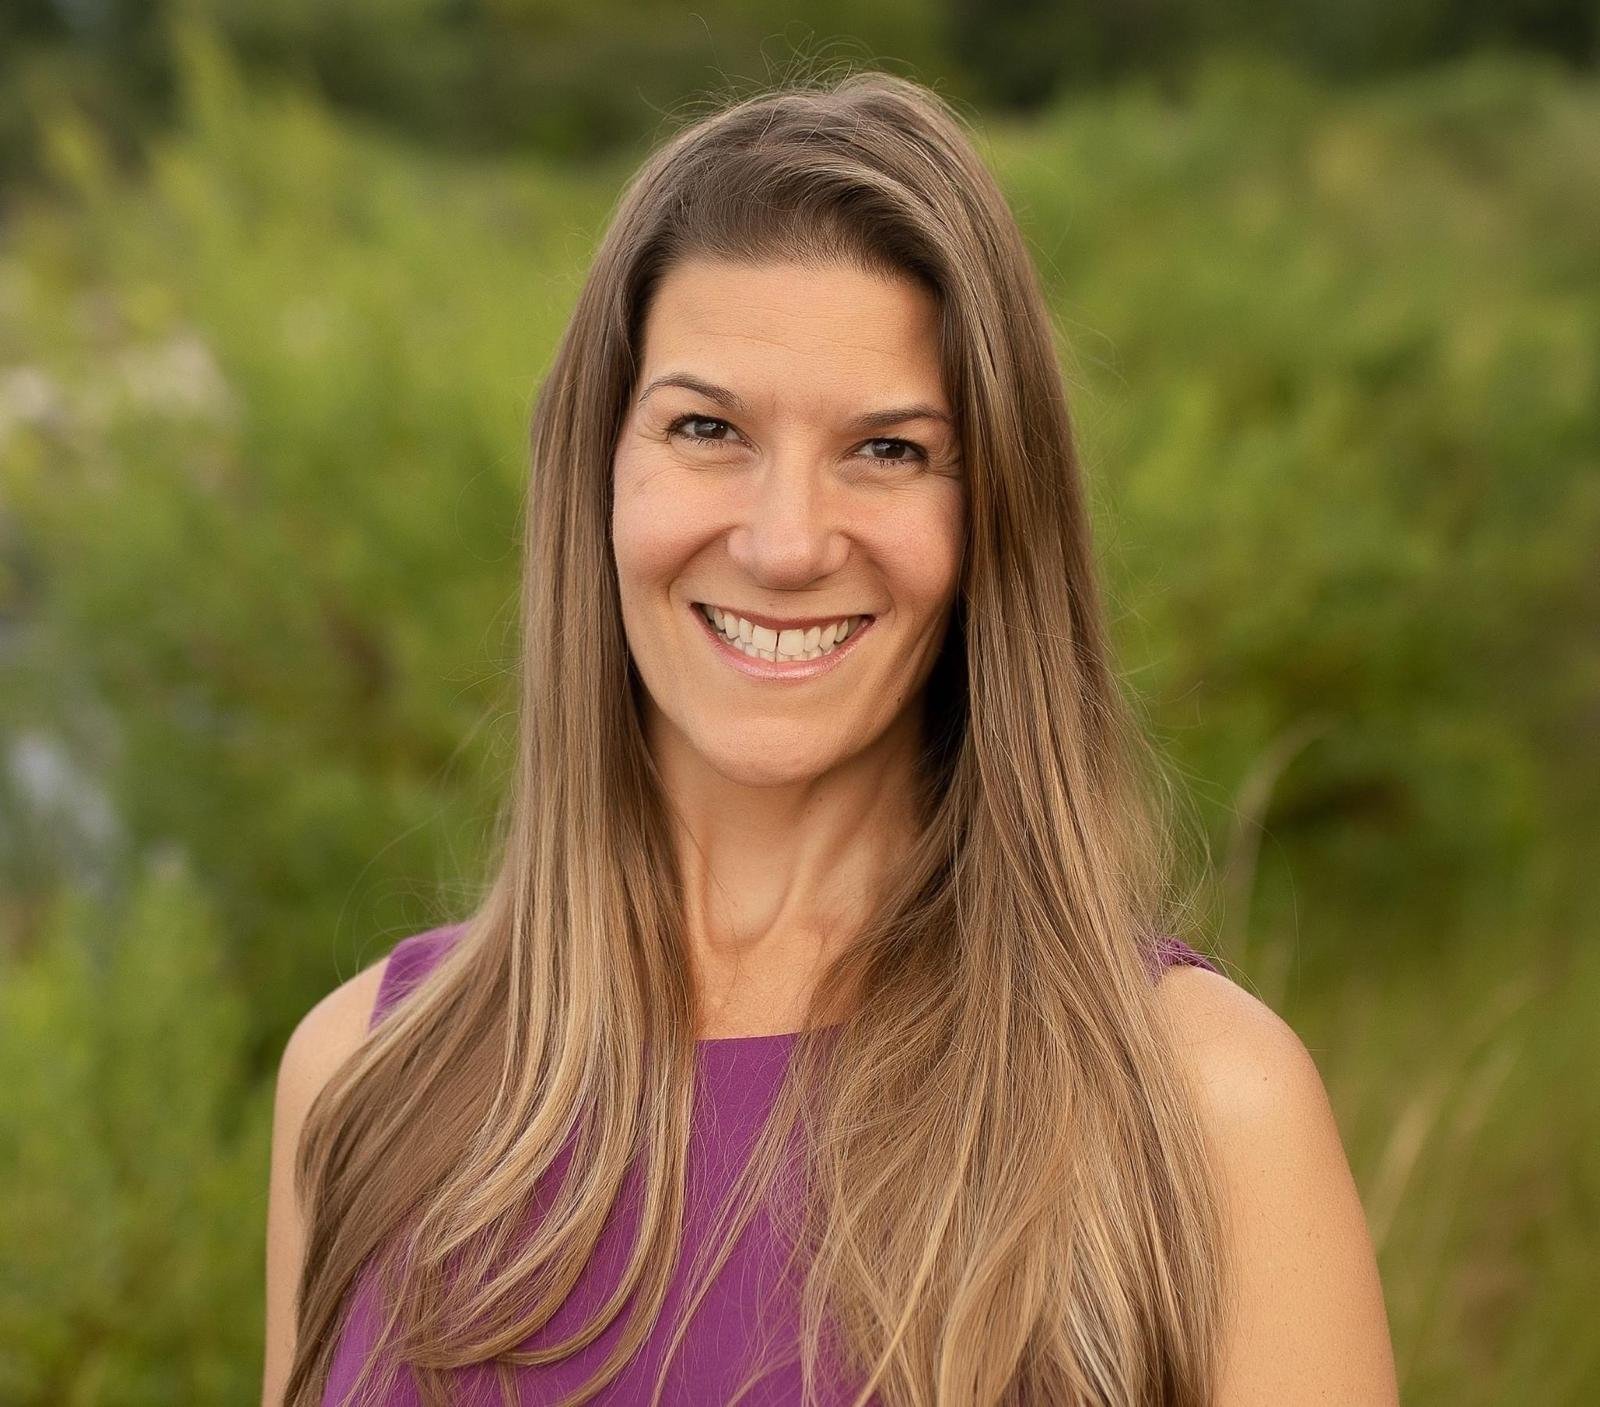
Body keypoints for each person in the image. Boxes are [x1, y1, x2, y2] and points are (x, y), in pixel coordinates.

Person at [262, 70, 1399, 1407]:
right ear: (598, 476)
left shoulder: (1205, 1111)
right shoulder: (364, 1077)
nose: (785, 542)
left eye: (889, 450)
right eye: (706, 429)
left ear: (995, 525)